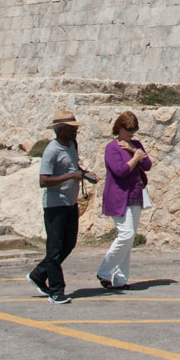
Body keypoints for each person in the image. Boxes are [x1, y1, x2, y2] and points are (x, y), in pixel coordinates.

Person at [31, 110, 96, 305]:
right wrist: (71, 176)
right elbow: (44, 181)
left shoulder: (72, 145)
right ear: (61, 130)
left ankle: (39, 274)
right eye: (71, 128)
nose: (76, 132)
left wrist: (84, 174)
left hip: (70, 202)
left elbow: (73, 168)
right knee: (55, 248)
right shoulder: (52, 150)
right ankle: (56, 291)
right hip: (55, 205)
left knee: (69, 244)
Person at [95, 111, 153, 290]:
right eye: (128, 129)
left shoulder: (135, 145)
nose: (131, 133)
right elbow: (120, 170)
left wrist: (134, 151)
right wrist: (135, 158)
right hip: (119, 197)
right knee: (126, 234)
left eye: (133, 130)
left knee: (129, 239)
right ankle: (104, 271)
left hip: (135, 196)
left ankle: (120, 279)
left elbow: (148, 165)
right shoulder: (111, 148)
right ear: (119, 127)